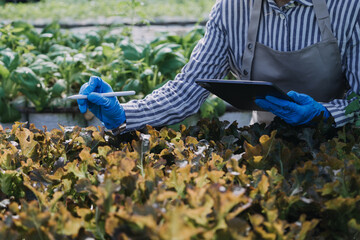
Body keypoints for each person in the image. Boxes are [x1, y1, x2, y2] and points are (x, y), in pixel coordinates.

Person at [78, 0, 360, 135]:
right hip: (266, 145)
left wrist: (325, 114)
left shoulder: (348, 8)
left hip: (340, 146)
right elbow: (186, 90)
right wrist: (124, 113)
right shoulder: (231, 10)